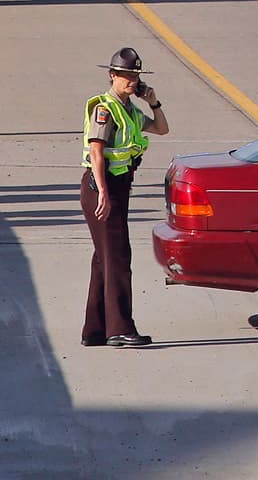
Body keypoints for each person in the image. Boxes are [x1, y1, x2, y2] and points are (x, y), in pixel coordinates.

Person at [81, 47, 168, 348]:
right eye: (127, 76)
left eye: (136, 76)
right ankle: (119, 328)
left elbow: (161, 128)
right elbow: (96, 150)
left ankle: (95, 330)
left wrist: (153, 101)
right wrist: (103, 191)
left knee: (103, 259)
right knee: (118, 258)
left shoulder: (129, 110)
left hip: (118, 187)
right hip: (102, 188)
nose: (132, 81)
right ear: (112, 75)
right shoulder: (105, 109)